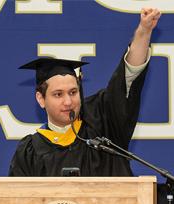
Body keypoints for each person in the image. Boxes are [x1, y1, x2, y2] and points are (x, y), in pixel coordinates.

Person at [9, 8, 160, 176]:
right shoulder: (29, 151)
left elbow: (127, 78)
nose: (68, 102)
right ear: (41, 99)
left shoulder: (103, 123)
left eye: (73, 92)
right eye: (58, 94)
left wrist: (144, 31)